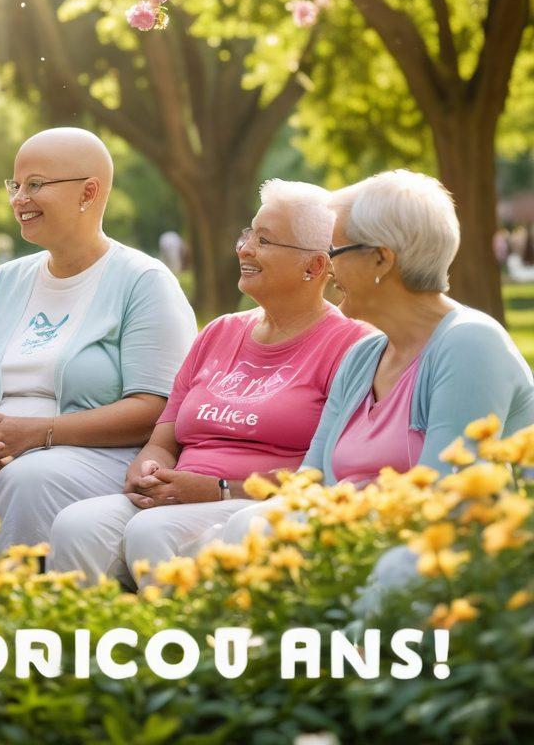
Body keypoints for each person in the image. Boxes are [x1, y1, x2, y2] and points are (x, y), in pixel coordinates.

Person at [49, 180, 368, 587]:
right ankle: (95, 645)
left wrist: (218, 489)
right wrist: (151, 469)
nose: (245, 248)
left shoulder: (351, 345)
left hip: (256, 504)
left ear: (315, 267)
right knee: (76, 525)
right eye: (248, 233)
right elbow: (164, 440)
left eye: (265, 240)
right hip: (175, 494)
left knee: (152, 531)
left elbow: (334, 468)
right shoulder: (219, 332)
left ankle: (187, 646)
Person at [0, 128, 196, 566]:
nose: (19, 198)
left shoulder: (143, 281)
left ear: (88, 192)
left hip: (99, 456)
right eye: (15, 186)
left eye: (35, 185)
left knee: (29, 477)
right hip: (1, 455)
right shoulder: (5, 281)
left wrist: (36, 434)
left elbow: (156, 407)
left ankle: (22, 615)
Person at [223, 169, 534, 546]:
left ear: (381, 260)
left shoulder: (470, 344)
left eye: (335, 250)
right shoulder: (362, 357)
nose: (329, 265)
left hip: (436, 563)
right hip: (352, 542)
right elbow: (309, 482)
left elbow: (444, 502)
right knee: (237, 531)